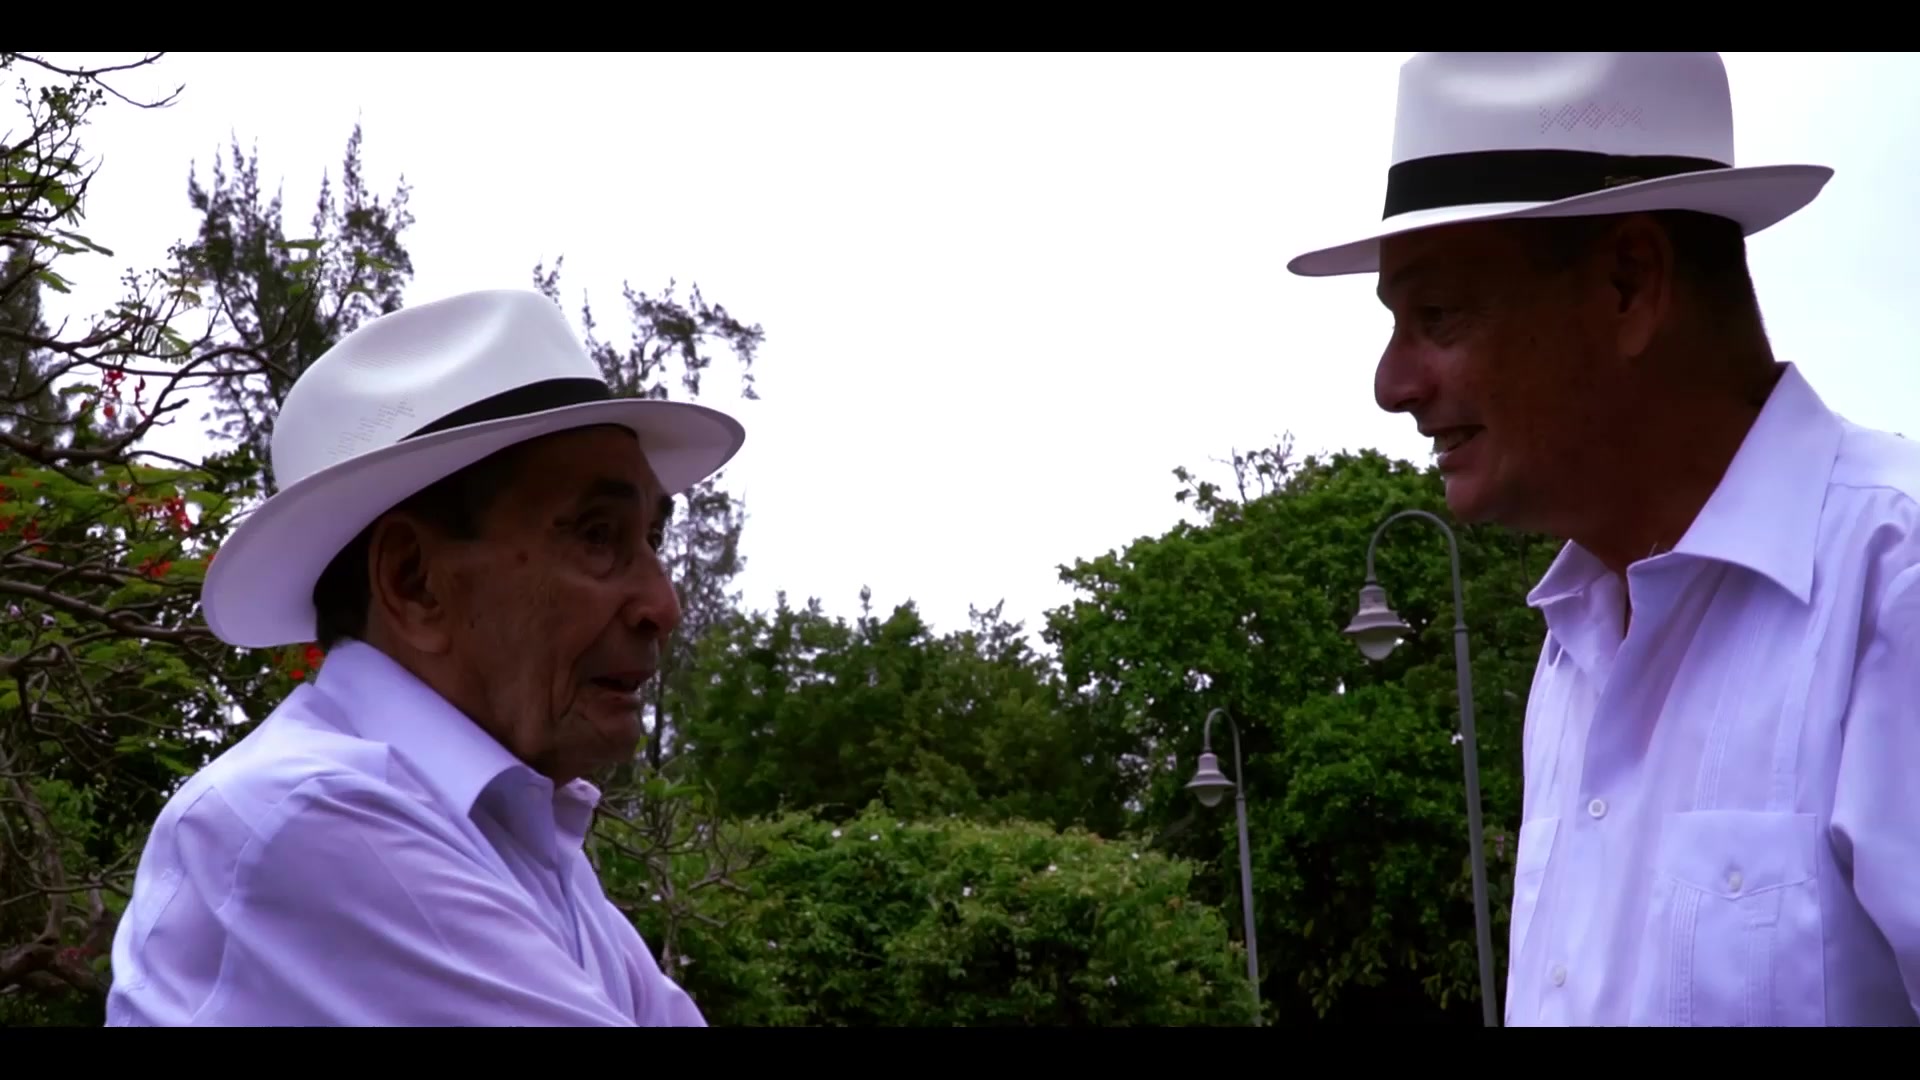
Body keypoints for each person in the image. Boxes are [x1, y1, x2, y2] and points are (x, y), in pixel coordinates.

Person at [1289, 52, 1920, 1026]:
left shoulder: (1893, 585)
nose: (1392, 383)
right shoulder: (1574, 643)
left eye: (1437, 314)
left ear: (1629, 283)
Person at [106, 289, 747, 1026]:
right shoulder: (316, 815)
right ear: (414, 582)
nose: (662, 605)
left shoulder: (518, 843)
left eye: (652, 539)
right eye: (597, 536)